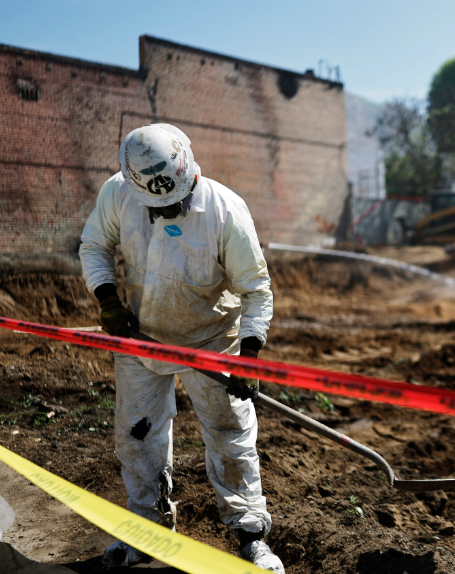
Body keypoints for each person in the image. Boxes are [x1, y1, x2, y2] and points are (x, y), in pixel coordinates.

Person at [79, 124, 283, 573]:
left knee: (230, 437)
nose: (170, 209)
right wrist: (108, 302)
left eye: (176, 200)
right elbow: (94, 245)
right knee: (137, 434)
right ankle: (147, 532)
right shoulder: (118, 194)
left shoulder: (225, 210)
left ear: (188, 173)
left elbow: (256, 290)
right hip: (139, 336)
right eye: (159, 205)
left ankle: (250, 537)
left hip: (211, 340)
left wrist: (248, 358)